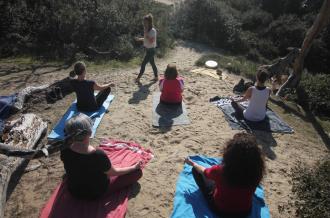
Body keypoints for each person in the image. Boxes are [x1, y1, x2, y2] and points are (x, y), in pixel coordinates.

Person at [61, 113, 142, 200]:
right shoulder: (97, 155)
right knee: (137, 173)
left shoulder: (65, 149)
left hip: (73, 191)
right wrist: (134, 167)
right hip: (96, 193)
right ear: (90, 132)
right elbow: (113, 172)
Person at [185, 133, 265, 217]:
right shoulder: (257, 171)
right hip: (245, 212)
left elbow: (204, 171)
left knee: (196, 171)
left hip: (220, 210)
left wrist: (193, 163)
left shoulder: (221, 170)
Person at [135, 13, 158, 83]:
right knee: (153, 64)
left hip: (151, 50)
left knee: (143, 63)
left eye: (146, 22)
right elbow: (146, 39)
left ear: (150, 22)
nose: (144, 23)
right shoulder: (146, 29)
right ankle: (156, 77)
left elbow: (151, 41)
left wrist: (146, 34)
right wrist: (139, 39)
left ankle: (138, 78)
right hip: (148, 50)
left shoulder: (152, 31)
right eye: (144, 22)